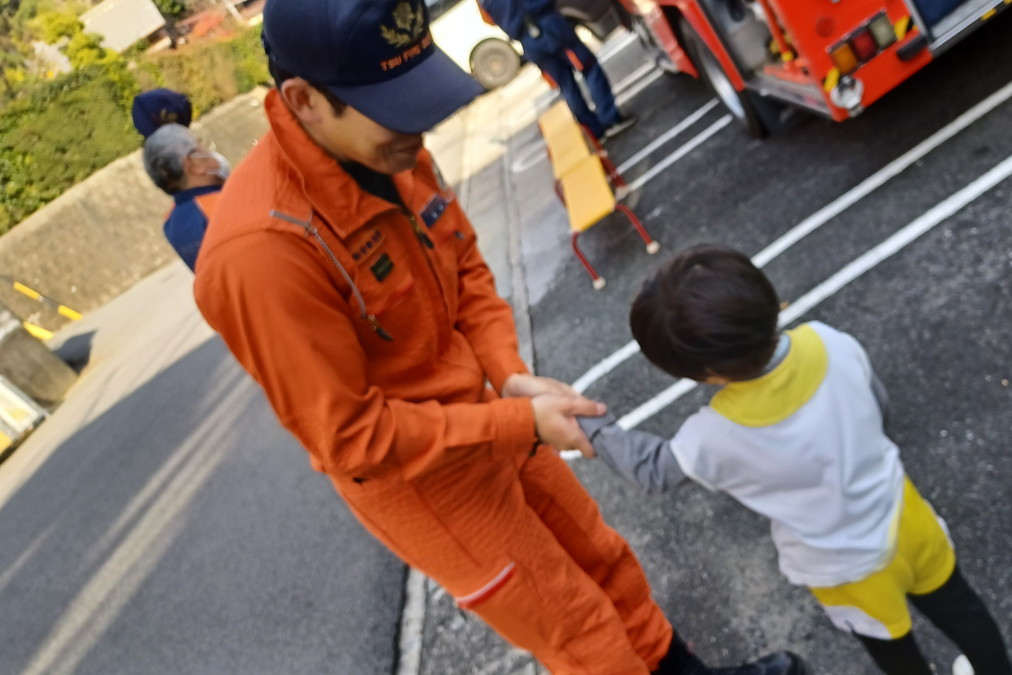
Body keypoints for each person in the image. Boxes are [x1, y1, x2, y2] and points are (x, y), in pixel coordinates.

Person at [193, 1, 800, 673]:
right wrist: (516, 421)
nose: (420, 130)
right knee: (576, 626)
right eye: (396, 108)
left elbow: (465, 267)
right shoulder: (261, 253)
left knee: (601, 557)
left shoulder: (389, 148)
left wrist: (508, 374)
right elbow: (352, 437)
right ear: (304, 100)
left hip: (491, 413)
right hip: (428, 484)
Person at [578, 245, 1012, 675]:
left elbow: (652, 470)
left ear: (707, 374)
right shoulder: (829, 341)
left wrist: (592, 423)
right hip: (904, 516)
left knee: (895, 652)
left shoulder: (712, 436)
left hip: (843, 567)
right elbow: (879, 408)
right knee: (962, 610)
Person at [478, 0, 634, 139]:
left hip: (527, 41)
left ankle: (594, 131)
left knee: (566, 85)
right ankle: (610, 119)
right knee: (588, 67)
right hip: (548, 25)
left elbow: (488, 20)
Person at [140, 122, 228, 271]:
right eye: (202, 144)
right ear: (193, 164)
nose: (210, 152)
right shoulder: (222, 205)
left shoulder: (171, 222)